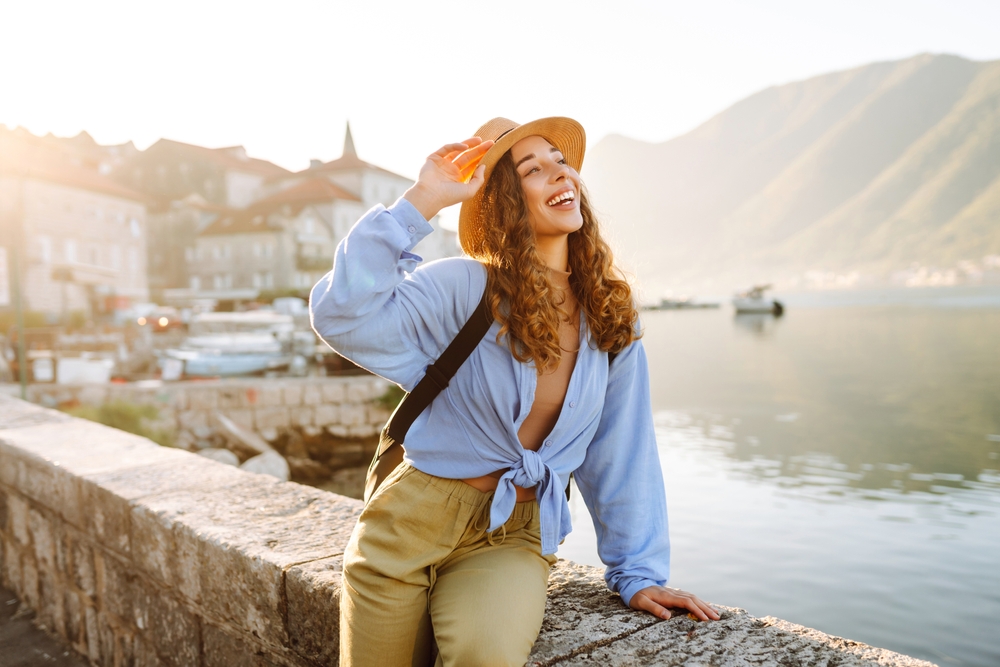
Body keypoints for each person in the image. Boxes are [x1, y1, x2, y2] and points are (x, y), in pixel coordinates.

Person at [310, 117, 719, 667]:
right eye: (534, 168)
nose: (559, 173)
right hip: (408, 525)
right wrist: (423, 199)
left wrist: (637, 573)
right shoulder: (462, 286)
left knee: (487, 656)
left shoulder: (609, 316)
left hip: (514, 537)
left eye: (560, 161)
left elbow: (622, 451)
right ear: (506, 199)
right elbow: (343, 314)